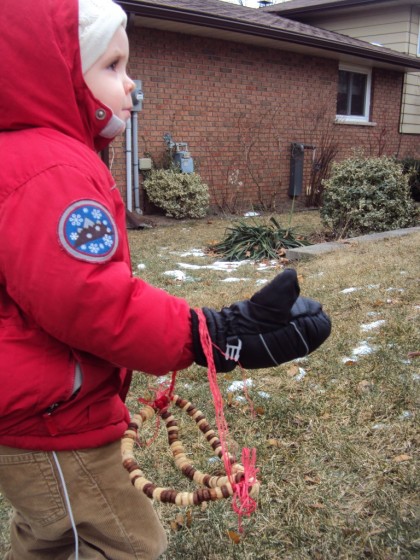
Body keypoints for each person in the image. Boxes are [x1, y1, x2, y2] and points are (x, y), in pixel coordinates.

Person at [0, 0, 331, 558]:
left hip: (40, 409)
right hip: (53, 420)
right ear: (51, 74)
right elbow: (90, 301)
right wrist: (208, 331)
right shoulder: (52, 170)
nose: (132, 85)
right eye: (112, 67)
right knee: (127, 542)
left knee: (53, 537)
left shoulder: (29, 157)